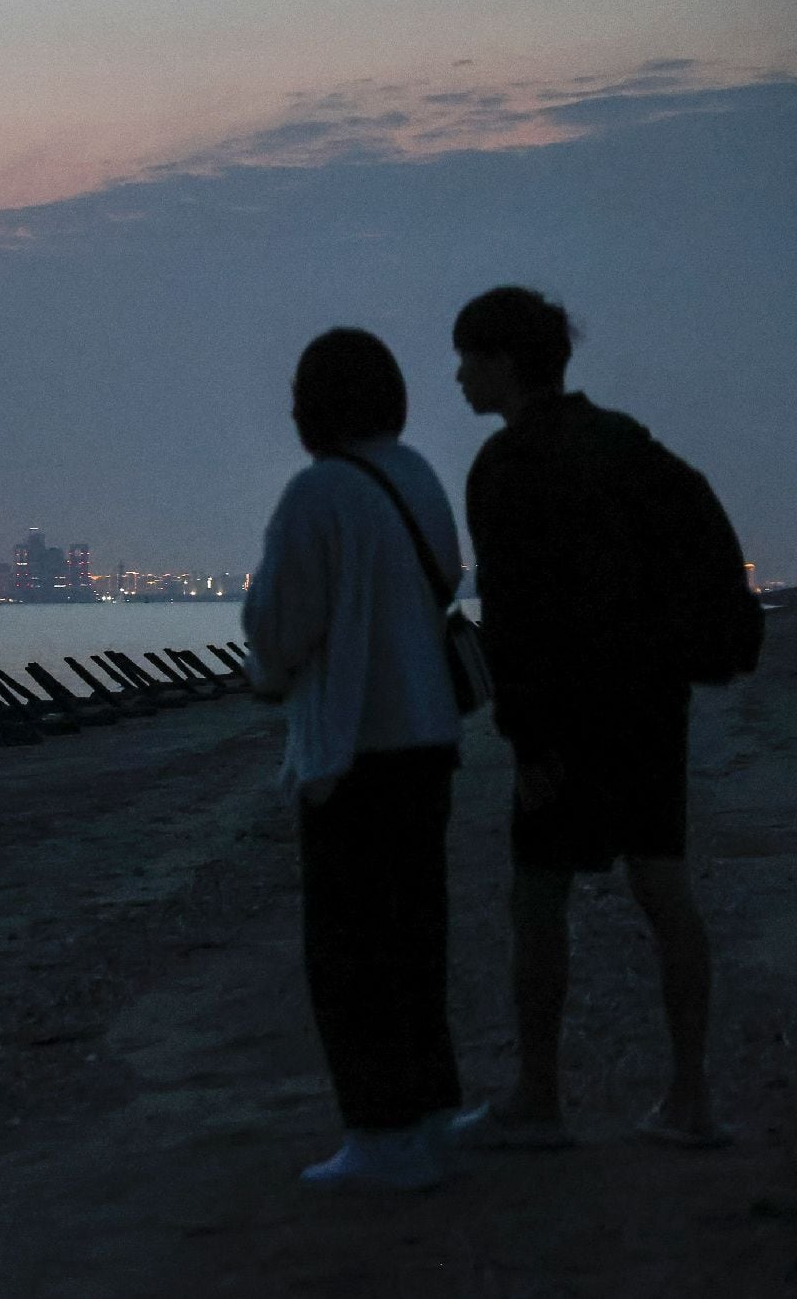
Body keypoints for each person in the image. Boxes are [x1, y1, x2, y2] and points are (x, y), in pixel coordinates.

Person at [450, 286, 732, 1149]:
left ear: (504, 363)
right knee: (663, 887)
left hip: (566, 724)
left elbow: (518, 618)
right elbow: (710, 547)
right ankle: (690, 1097)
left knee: (538, 898)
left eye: (468, 358)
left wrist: (527, 738)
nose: (459, 375)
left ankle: (541, 1097)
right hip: (648, 706)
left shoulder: (503, 468)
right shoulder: (629, 445)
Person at [244, 328, 466, 1191]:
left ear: (314, 406)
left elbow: (278, 626)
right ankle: (430, 1108)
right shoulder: (418, 479)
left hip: (353, 746)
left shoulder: (317, 493)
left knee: (348, 947)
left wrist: (266, 673)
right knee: (418, 934)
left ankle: (379, 1132)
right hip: (430, 735)